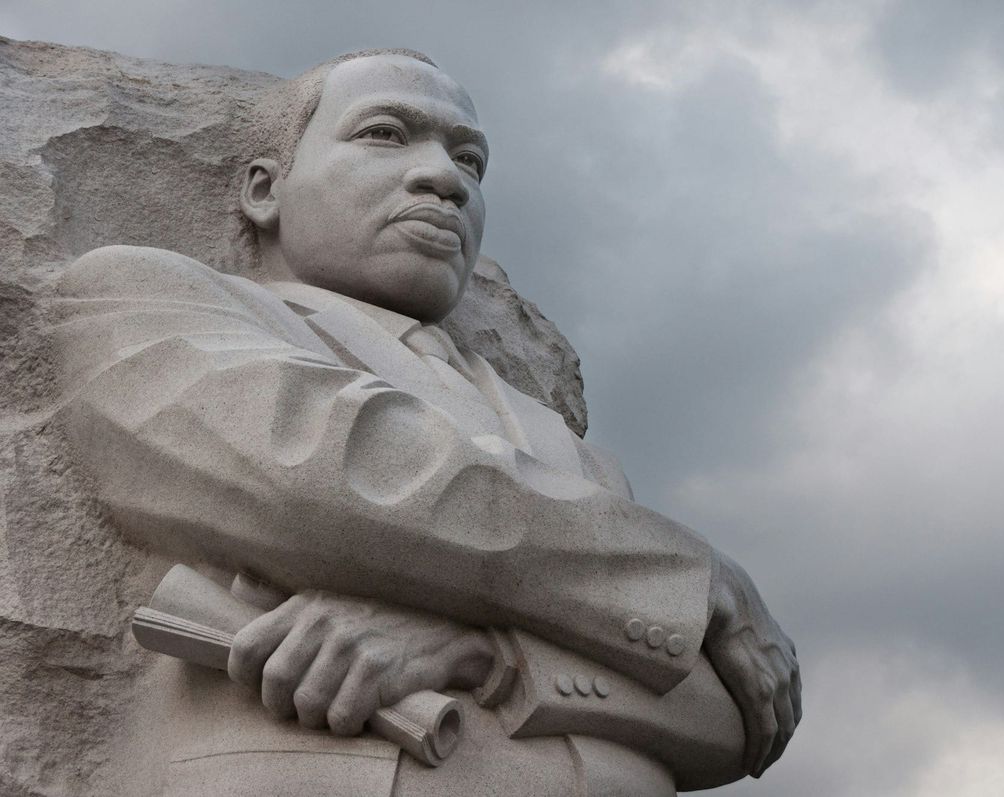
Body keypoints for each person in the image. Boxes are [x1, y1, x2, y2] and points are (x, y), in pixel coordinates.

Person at [52, 48, 798, 795]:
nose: (445, 178)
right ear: (263, 190)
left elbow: (740, 714)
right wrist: (695, 579)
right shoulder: (145, 298)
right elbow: (325, 477)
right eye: (384, 133)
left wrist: (484, 652)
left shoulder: (577, 458)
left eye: (470, 161)